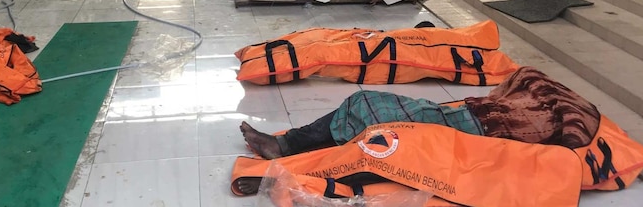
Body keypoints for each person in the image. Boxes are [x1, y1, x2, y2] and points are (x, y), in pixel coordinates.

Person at [237, 66, 599, 194]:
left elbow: (574, 138)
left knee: (379, 133)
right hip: (466, 114)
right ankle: (291, 148)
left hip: (470, 131)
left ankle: (291, 162)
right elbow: (527, 76)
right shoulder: (546, 97)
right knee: (365, 106)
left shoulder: (563, 119)